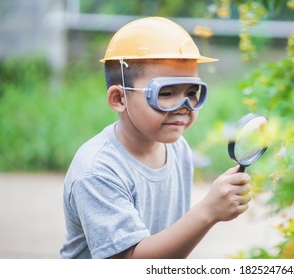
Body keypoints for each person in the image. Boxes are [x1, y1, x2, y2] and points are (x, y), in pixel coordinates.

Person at [60, 17, 251, 259]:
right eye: (166, 93)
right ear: (119, 99)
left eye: (192, 93)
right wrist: (208, 211)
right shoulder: (98, 171)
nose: (184, 107)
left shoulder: (178, 148)